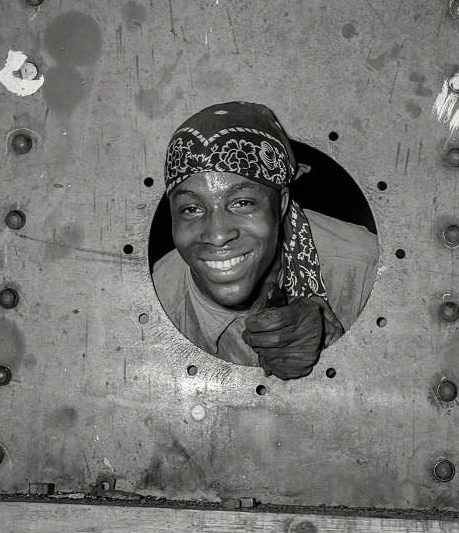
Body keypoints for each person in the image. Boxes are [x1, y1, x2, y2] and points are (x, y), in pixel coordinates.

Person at [151, 102, 378, 380]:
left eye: (242, 203)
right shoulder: (159, 294)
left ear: (280, 205)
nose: (218, 235)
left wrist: (335, 349)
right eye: (191, 209)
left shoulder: (364, 265)